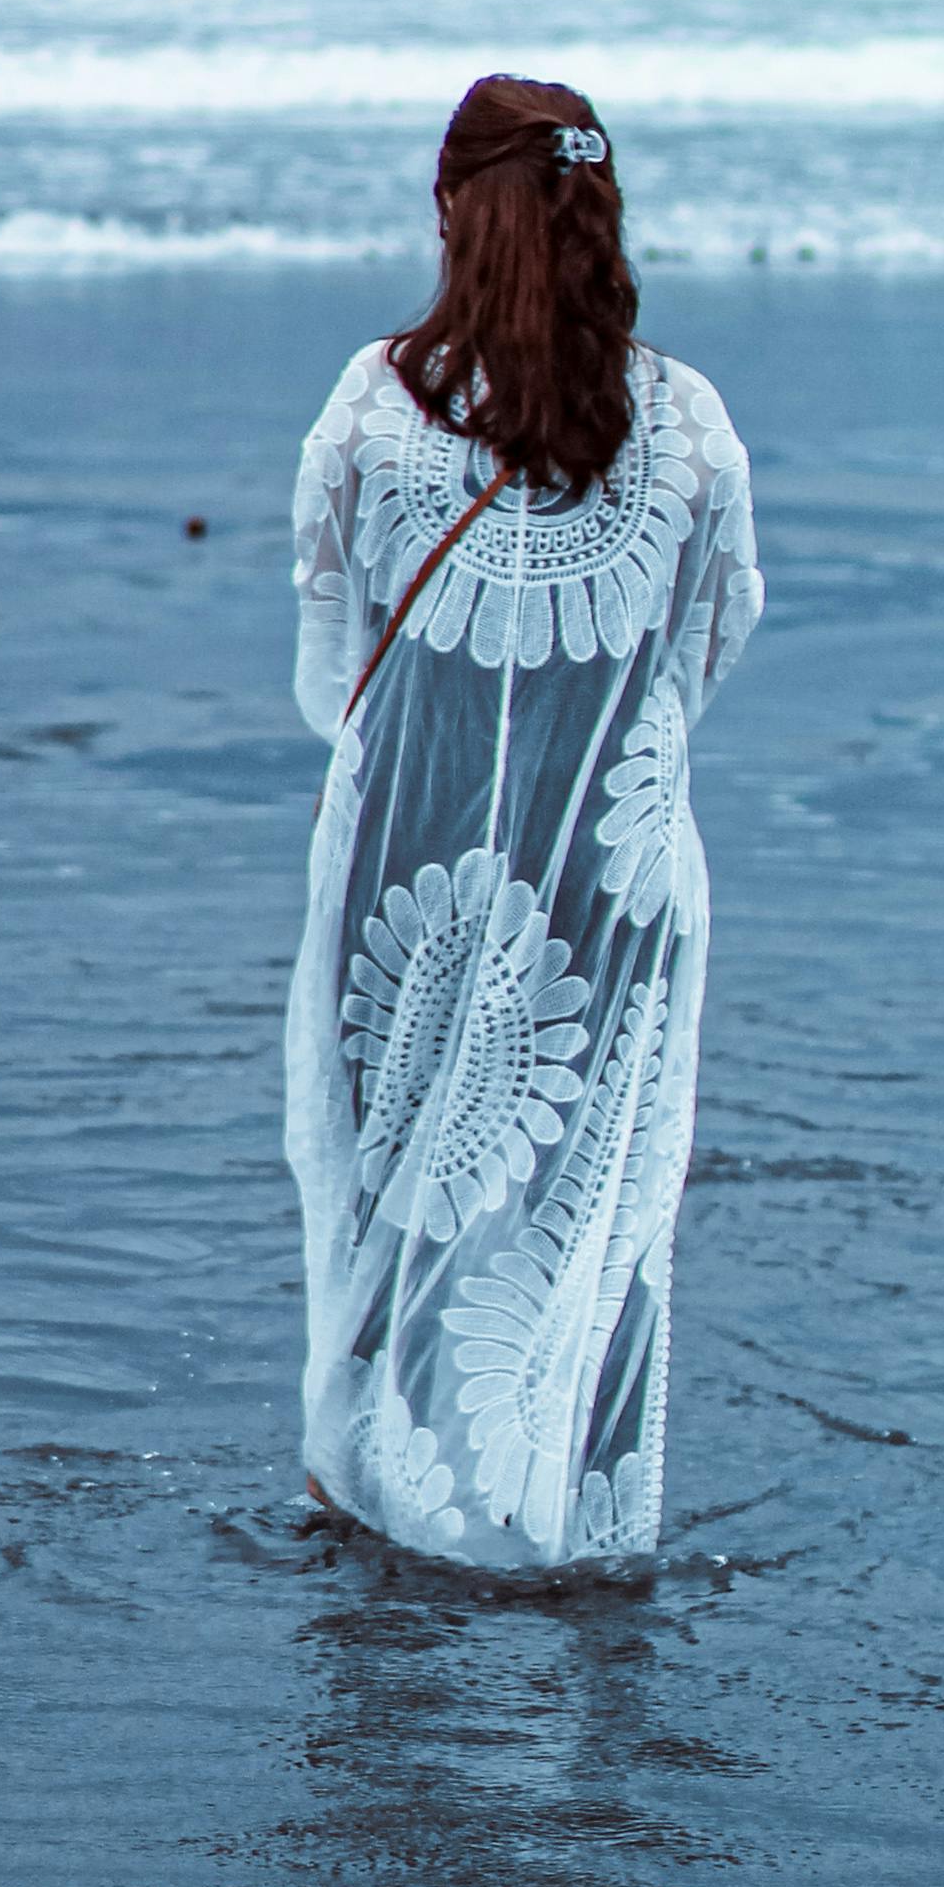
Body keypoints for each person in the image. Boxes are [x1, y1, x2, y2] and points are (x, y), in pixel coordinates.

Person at [284, 75, 762, 1568]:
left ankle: (389, 1506)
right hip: (612, 883)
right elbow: (712, 642)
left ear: (451, 210)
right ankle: (567, 1529)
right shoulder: (686, 421)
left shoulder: (374, 401)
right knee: (586, 1220)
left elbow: (332, 664)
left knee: (404, 1199)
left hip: (407, 873)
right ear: (596, 213)